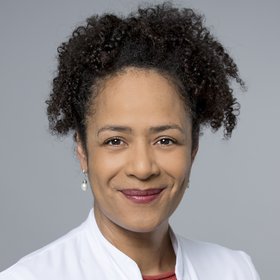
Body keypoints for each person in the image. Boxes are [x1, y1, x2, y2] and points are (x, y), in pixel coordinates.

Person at [0, 2, 260, 280]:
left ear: (193, 149)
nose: (142, 167)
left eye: (165, 140)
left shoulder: (235, 270)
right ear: (82, 152)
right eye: (115, 141)